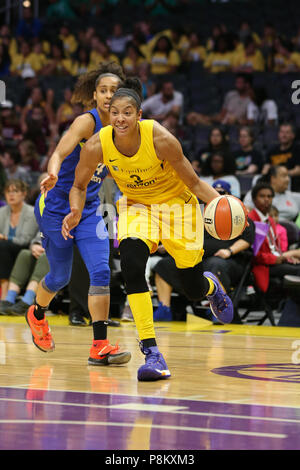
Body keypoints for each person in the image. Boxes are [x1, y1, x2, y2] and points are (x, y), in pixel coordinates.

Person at [62, 77, 234, 382]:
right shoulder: (96, 144)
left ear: (139, 115)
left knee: (192, 288)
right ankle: (152, 351)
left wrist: (223, 205)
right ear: (109, 114)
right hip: (137, 207)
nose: (120, 118)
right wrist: (75, 209)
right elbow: (78, 185)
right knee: (130, 264)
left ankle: (210, 287)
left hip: (177, 208)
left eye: (127, 112)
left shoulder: (161, 139)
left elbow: (194, 183)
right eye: (115, 112)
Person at [25, 61, 131, 367]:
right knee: (59, 277)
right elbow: (58, 152)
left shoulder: (124, 127)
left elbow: (113, 170)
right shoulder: (88, 122)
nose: (109, 96)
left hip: (89, 208)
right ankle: (37, 313)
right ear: (94, 96)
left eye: (114, 90)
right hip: (56, 205)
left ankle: (100, 345)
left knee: (101, 272)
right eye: (103, 90)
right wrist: (54, 173)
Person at [152, 180, 255, 322]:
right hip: (199, 256)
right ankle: (164, 308)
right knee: (164, 265)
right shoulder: (200, 213)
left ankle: (219, 308)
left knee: (214, 265)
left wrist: (230, 251)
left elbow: (248, 238)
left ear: (229, 195)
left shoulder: (237, 213)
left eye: (221, 193)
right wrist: (171, 244)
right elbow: (185, 234)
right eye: (213, 192)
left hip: (228, 259)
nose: (216, 196)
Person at [248, 182, 300, 293]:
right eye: (262, 196)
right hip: (262, 264)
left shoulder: (270, 220)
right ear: (254, 199)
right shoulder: (251, 220)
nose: (266, 199)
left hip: (277, 259)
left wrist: (287, 258)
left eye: (269, 196)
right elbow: (252, 254)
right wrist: (275, 259)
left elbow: (276, 247)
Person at [0, 179, 38, 299]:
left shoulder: (31, 212)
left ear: (24, 194)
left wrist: (5, 237)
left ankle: (5, 294)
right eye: (8, 192)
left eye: (15, 191)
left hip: (26, 250)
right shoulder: (2, 212)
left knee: (2, 246)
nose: (11, 195)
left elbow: (25, 239)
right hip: (5, 249)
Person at [0, 231, 49, 316]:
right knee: (24, 254)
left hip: (57, 254)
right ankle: (9, 299)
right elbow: (38, 237)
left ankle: (27, 301)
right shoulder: (48, 219)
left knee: (45, 258)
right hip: (41, 250)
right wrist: (34, 246)